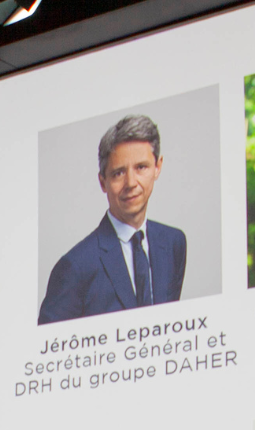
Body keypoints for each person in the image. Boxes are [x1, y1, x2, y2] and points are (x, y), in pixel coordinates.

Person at [39, 115, 188, 324]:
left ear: (158, 167)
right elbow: (48, 350)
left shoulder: (174, 243)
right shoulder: (74, 267)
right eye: (118, 173)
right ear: (103, 181)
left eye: (141, 167)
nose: (131, 183)